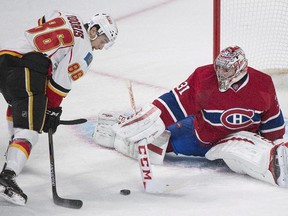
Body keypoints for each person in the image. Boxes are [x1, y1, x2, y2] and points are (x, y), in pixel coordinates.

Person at [93, 46, 288, 188]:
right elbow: (175, 102)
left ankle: (274, 162)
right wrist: (150, 117)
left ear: (239, 68)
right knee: (157, 139)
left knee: (242, 146)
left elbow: (273, 123)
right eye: (218, 67)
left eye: (225, 69)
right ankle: (114, 130)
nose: (219, 72)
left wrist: (273, 145)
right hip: (202, 138)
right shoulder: (204, 78)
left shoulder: (262, 84)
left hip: (240, 139)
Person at [0, 10, 118, 205]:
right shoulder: (85, 51)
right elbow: (59, 83)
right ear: (94, 30)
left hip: (5, 55)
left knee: (19, 103)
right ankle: (8, 177)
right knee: (30, 129)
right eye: (103, 41)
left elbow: (43, 21)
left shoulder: (70, 17)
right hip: (26, 68)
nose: (101, 47)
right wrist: (51, 110)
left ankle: (14, 152)